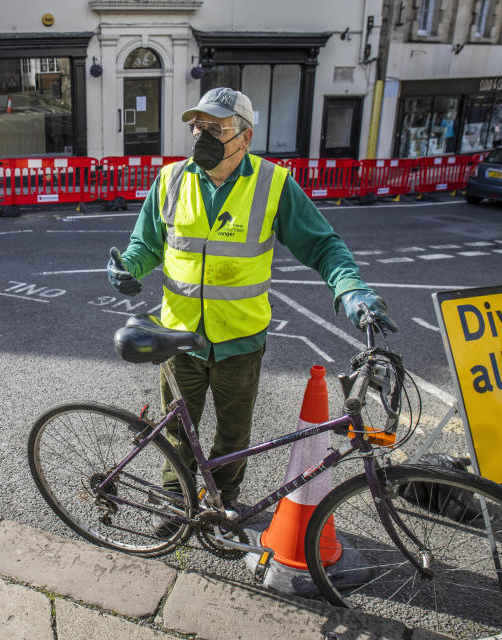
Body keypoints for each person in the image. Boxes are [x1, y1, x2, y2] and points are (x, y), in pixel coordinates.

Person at [106, 87, 397, 531]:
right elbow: (147, 244)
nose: (202, 135)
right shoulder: (170, 179)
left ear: (244, 137)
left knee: (233, 435)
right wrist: (128, 266)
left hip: (240, 341)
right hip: (178, 336)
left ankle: (222, 502)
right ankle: (176, 503)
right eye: (197, 127)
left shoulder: (273, 184)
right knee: (178, 432)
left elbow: (322, 245)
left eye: (215, 128)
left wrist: (350, 288)